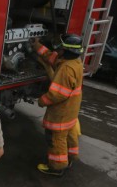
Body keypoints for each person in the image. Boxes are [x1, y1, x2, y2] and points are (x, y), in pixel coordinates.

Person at [31, 34, 84, 176]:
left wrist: (42, 100)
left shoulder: (66, 70)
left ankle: (57, 167)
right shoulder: (75, 62)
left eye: (60, 47)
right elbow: (51, 57)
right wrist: (36, 45)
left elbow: (57, 94)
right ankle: (69, 158)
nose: (57, 50)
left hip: (61, 112)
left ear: (65, 50)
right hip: (71, 109)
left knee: (56, 139)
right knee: (69, 134)